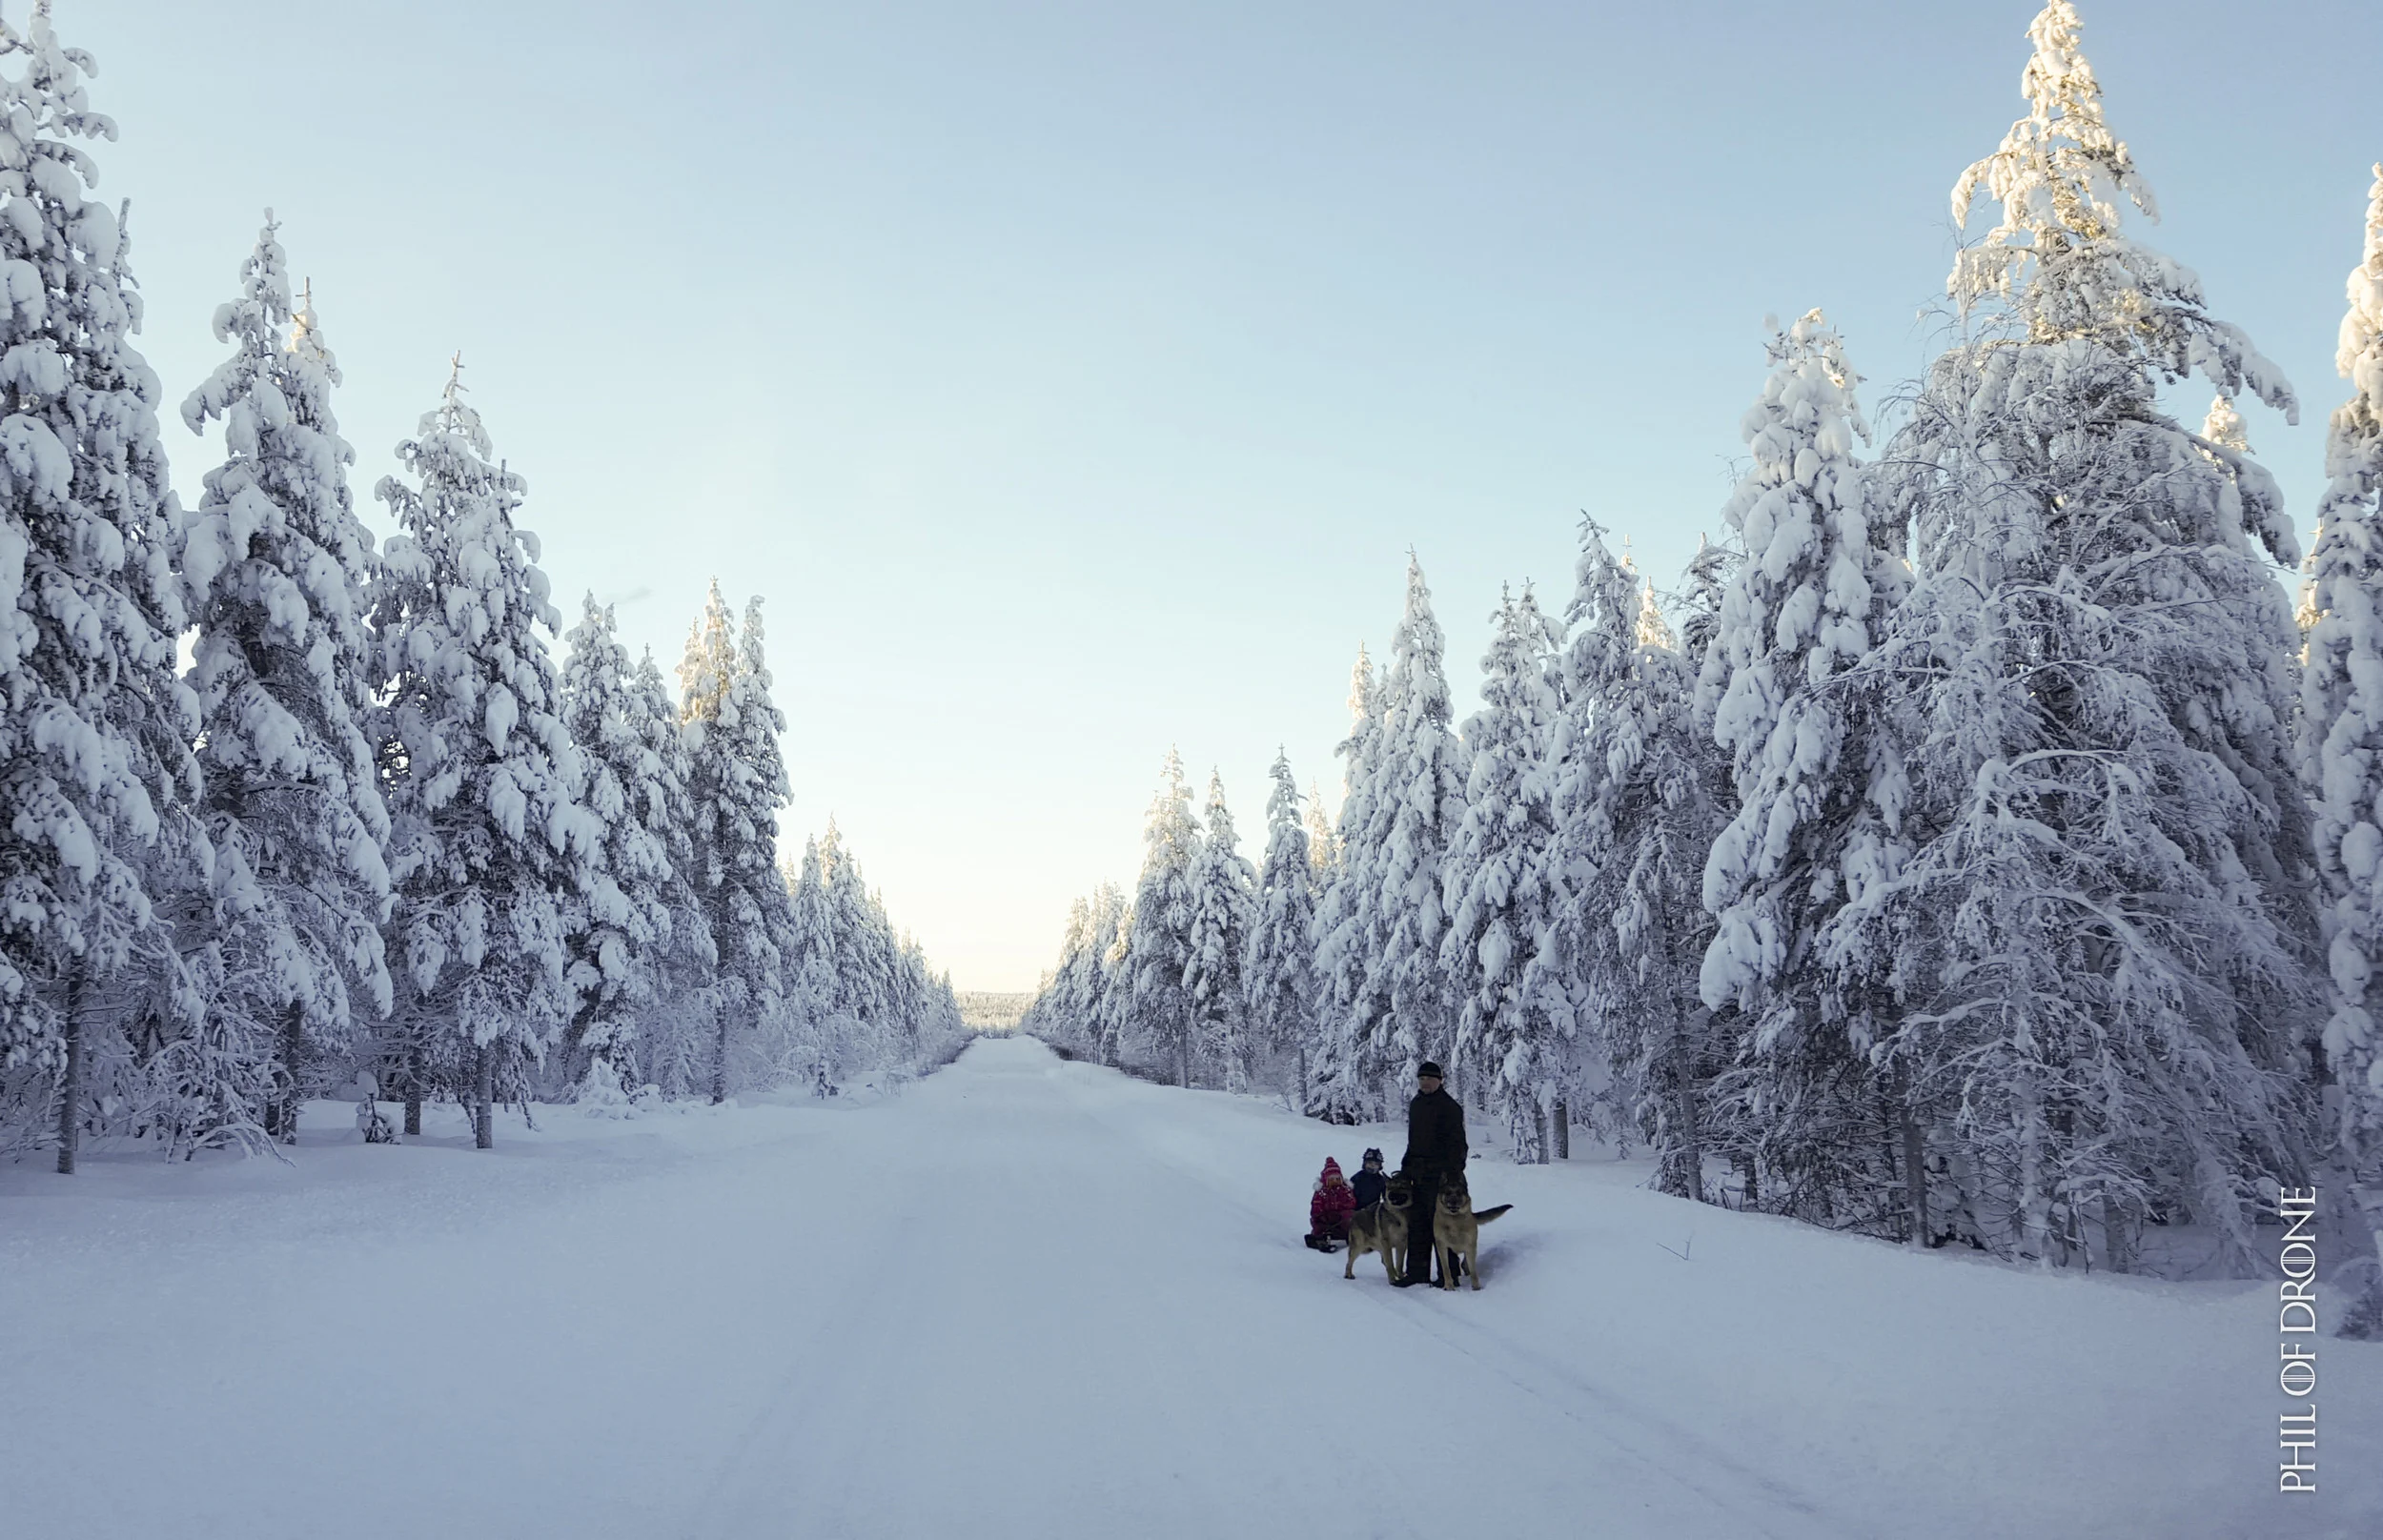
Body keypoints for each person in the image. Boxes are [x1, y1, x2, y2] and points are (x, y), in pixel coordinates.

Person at [1395, 1061, 1466, 1287]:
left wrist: (1452, 1174)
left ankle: (1449, 1275)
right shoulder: (1416, 1104)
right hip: (1418, 1176)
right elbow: (1413, 1142)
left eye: (1429, 1079)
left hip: (1443, 1178)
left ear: (1440, 1081)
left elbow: (1458, 1145)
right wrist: (1405, 1169)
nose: (1425, 1083)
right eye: (1421, 1079)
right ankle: (1417, 1273)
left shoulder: (1450, 1107)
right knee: (1418, 1225)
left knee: (1445, 1226)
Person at [1306, 1156, 1356, 1250]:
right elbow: (1316, 1209)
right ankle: (1322, 1240)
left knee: (1348, 1221)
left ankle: (1349, 1239)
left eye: (1337, 1179)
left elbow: (1351, 1203)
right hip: (1326, 1221)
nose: (1335, 1181)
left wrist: (1342, 1212)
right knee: (1321, 1229)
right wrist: (1323, 1216)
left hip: (1341, 1220)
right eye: (1332, 1179)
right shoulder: (1321, 1193)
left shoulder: (1345, 1190)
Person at [1352, 1147, 1388, 1212]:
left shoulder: (1381, 1180)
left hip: (1373, 1211)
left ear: (1380, 1166)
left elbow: (1386, 1197)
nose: (1372, 1166)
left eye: (1376, 1164)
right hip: (1356, 1210)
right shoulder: (1357, 1178)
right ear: (1365, 1163)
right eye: (1370, 1163)